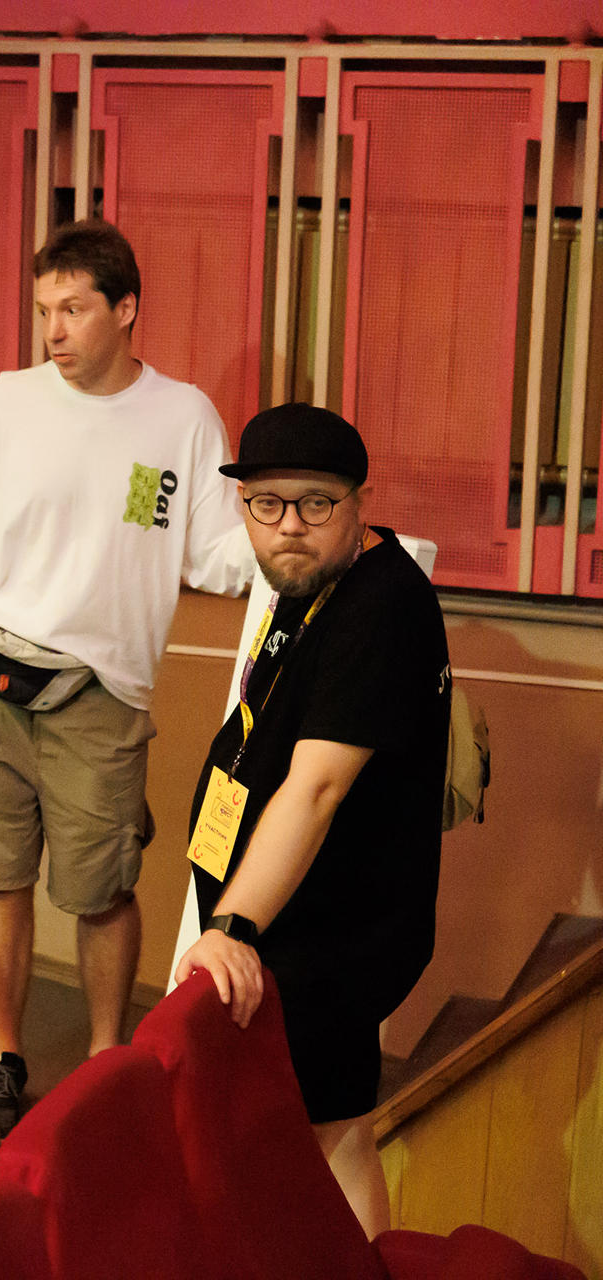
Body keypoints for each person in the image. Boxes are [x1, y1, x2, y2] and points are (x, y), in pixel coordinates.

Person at [0, 219, 251, 1144]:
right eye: (44, 310)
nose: (53, 330)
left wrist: (298, 537)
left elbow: (215, 554)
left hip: (103, 697)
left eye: (74, 309)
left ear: (125, 309)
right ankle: (3, 1055)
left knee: (102, 890)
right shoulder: (8, 402)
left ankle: (104, 1063)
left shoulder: (182, 418)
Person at [175, 403, 448, 1237]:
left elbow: (318, 788)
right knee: (328, 1133)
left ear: (360, 501)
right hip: (299, 919)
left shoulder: (380, 606)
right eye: (267, 504)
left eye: (315, 502)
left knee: (323, 1141)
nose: (289, 526)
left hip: (327, 934)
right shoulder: (314, 582)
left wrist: (231, 924)